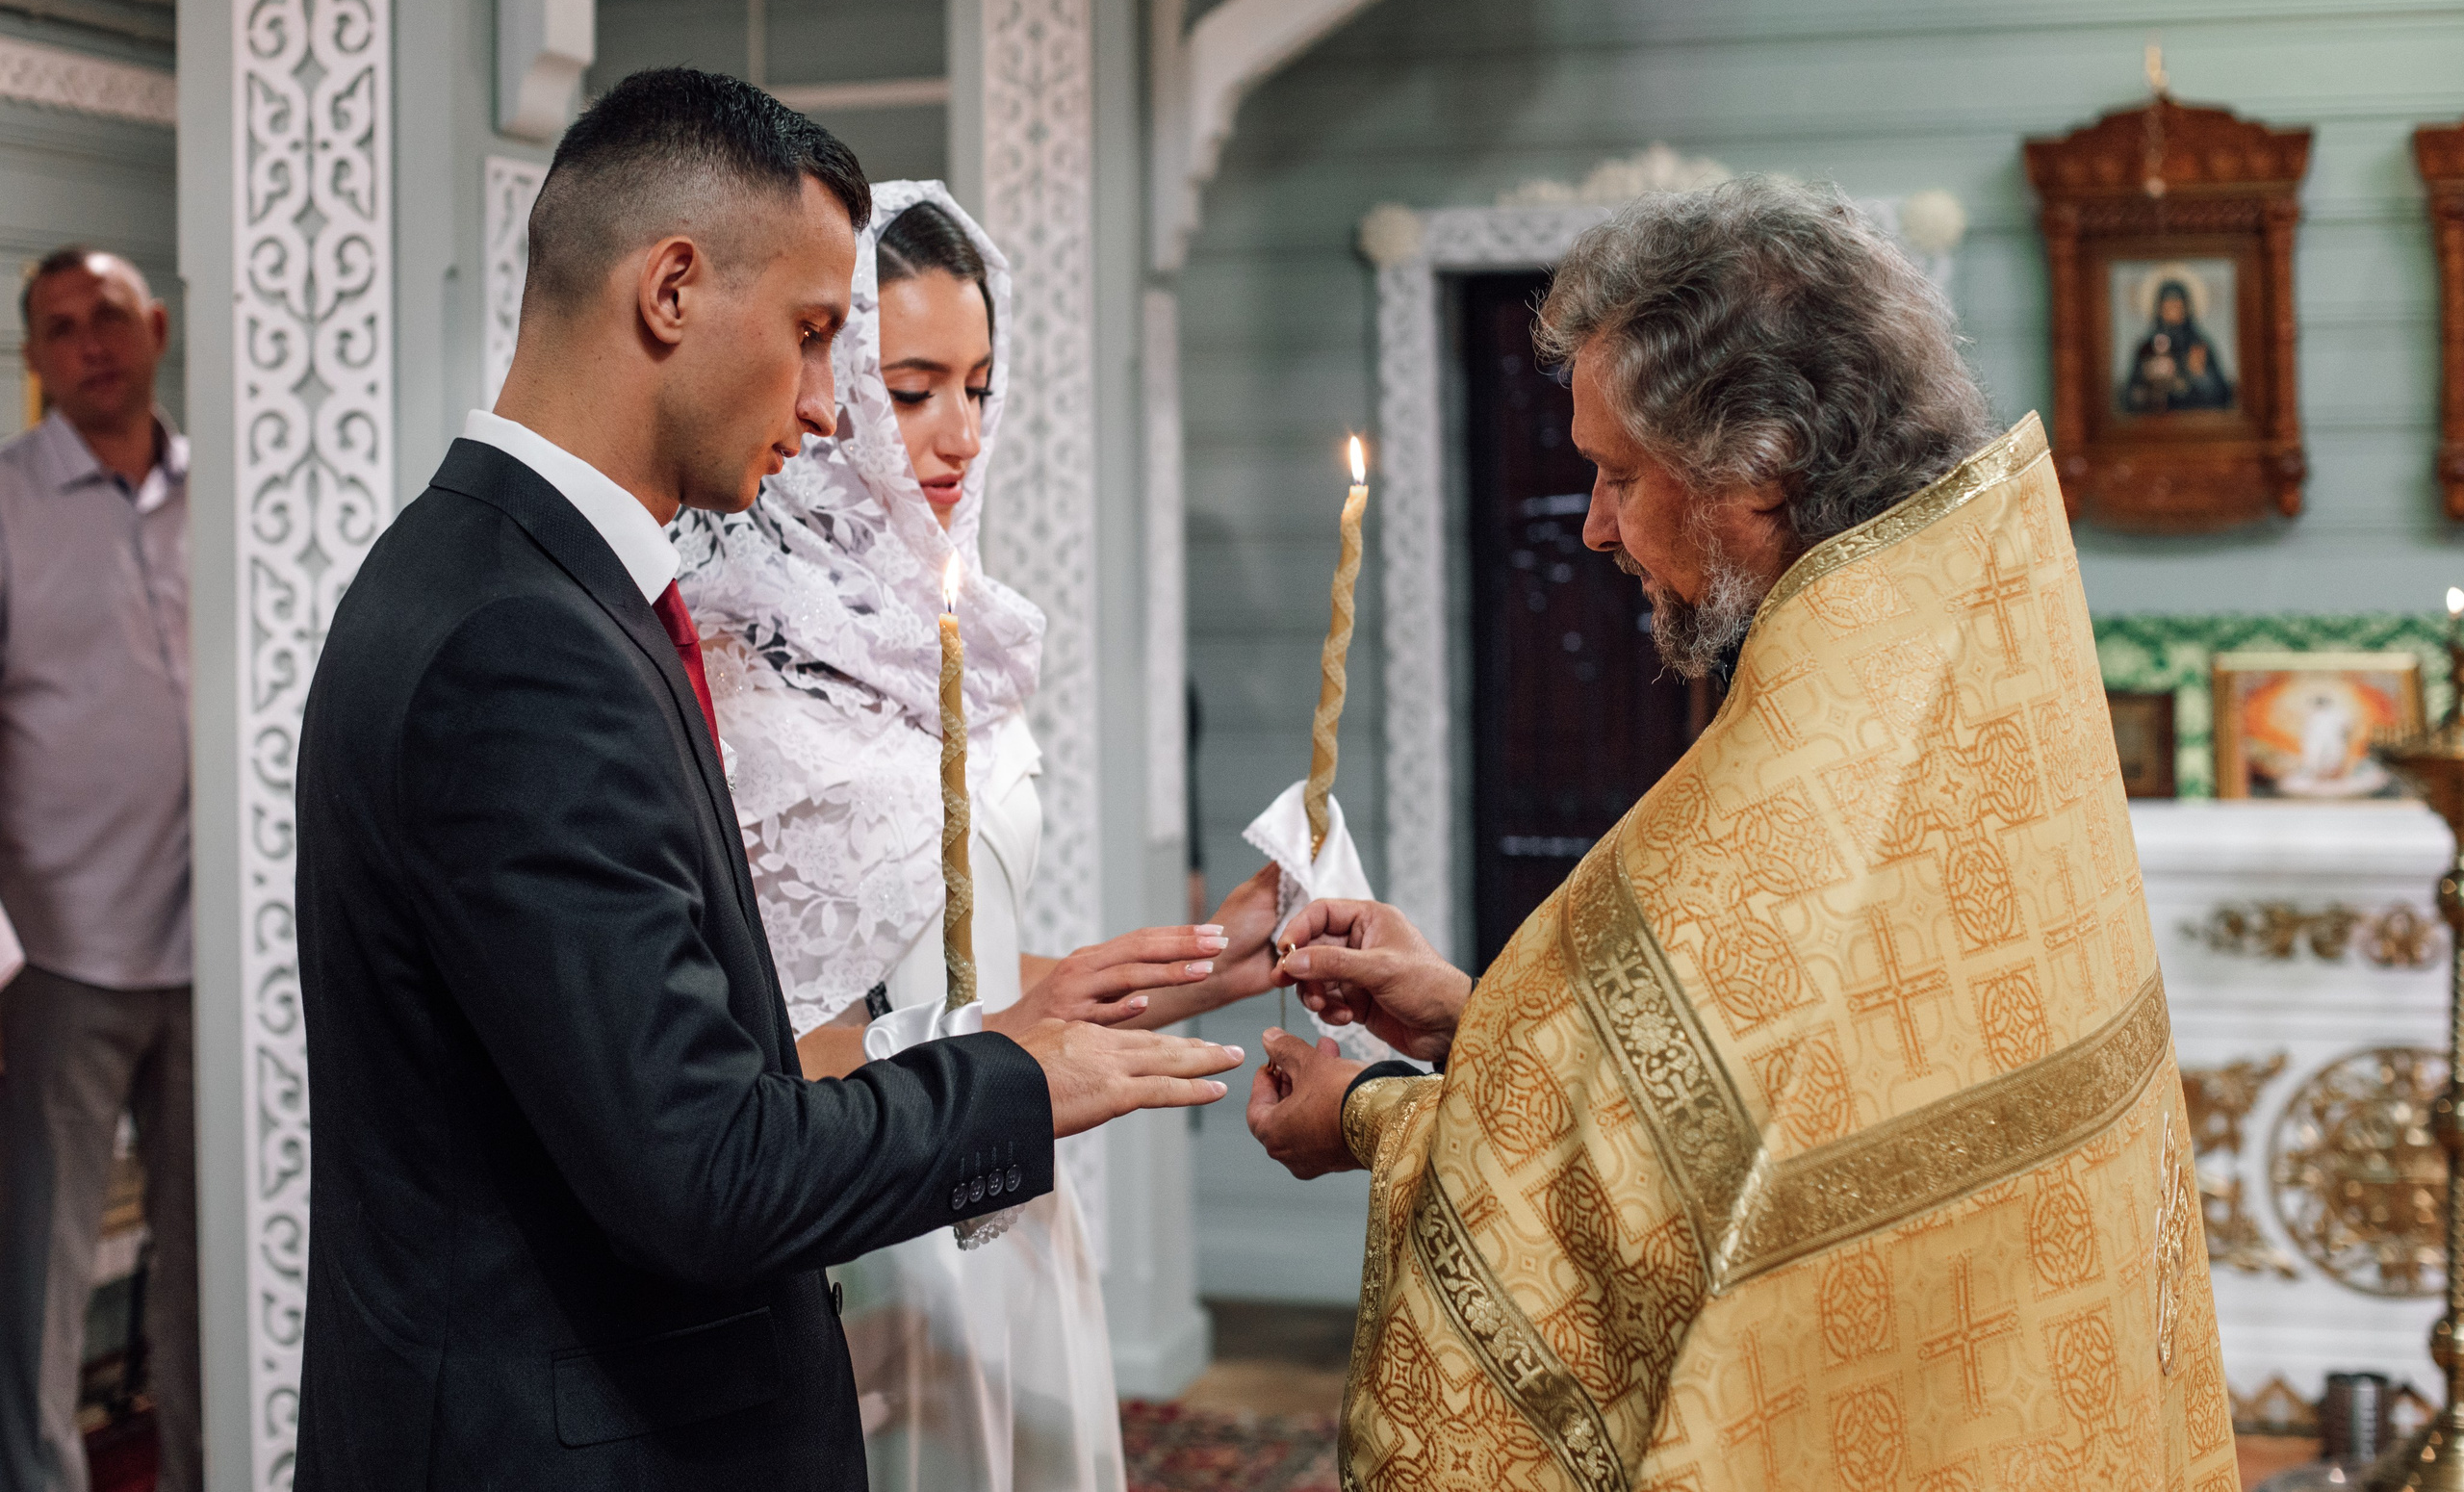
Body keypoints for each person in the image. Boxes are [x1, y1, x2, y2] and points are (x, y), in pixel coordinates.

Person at [292, 70, 1242, 1492]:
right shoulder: (521, 644)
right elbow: (703, 1169)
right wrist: (1008, 1082)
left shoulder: (509, 575)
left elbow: (664, 1052)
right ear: (671, 288)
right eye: (811, 336)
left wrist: (981, 1018)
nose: (820, 404)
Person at [1248, 179, 2235, 1491]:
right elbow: (1774, 1097)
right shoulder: (1956, 663)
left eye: (1617, 473)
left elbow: (1610, 1217)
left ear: (1758, 464)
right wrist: (1471, 1016)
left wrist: (1369, 1110)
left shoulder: (1798, 785)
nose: (1595, 522)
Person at [675, 181, 1284, 1492]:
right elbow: (720, 1062)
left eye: (980, 384)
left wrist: (1213, 959)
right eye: (909, 389)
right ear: (824, 383)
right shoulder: (727, 651)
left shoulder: (965, 631)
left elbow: (974, 971)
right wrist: (967, 1059)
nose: (955, 433)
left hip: (1004, 1187)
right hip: (858, 1210)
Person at [0, 248, 200, 1492]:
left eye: (109, 316)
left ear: (158, 326)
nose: (90, 344)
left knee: (211, 1259)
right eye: (60, 327)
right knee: (41, 1283)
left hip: (215, 952)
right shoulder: (6, 505)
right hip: (61, 954)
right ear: (34, 359)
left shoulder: (227, 486)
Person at [2118, 277, 2232, 413]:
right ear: (2159, 309)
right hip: (2155, 427)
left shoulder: (2199, 345)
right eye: (2167, 307)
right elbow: (2129, 398)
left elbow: (2222, 397)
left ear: (2187, 308)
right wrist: (2149, 380)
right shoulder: (2147, 347)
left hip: (2194, 423)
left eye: (2177, 307)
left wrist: (2201, 376)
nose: (2172, 312)